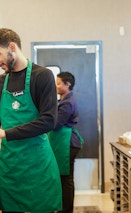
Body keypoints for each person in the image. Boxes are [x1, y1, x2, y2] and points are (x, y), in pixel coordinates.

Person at [0, 28, 62, 213]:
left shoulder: (42, 76)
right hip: (11, 170)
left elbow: (48, 121)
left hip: (38, 169)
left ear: (12, 47)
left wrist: (5, 133)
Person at [48, 72, 83, 213]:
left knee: (66, 179)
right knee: (63, 178)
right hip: (63, 143)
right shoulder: (63, 100)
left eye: (58, 83)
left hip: (67, 144)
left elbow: (56, 124)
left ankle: (66, 210)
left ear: (67, 84)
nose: (56, 86)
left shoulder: (68, 102)